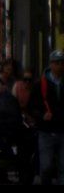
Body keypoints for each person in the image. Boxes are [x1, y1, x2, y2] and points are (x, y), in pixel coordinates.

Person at [27, 49, 64, 185]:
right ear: (51, 64)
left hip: (62, 129)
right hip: (46, 130)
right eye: (57, 63)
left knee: (62, 167)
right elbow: (31, 107)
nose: (60, 66)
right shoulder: (40, 84)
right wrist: (42, 115)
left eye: (62, 63)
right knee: (46, 167)